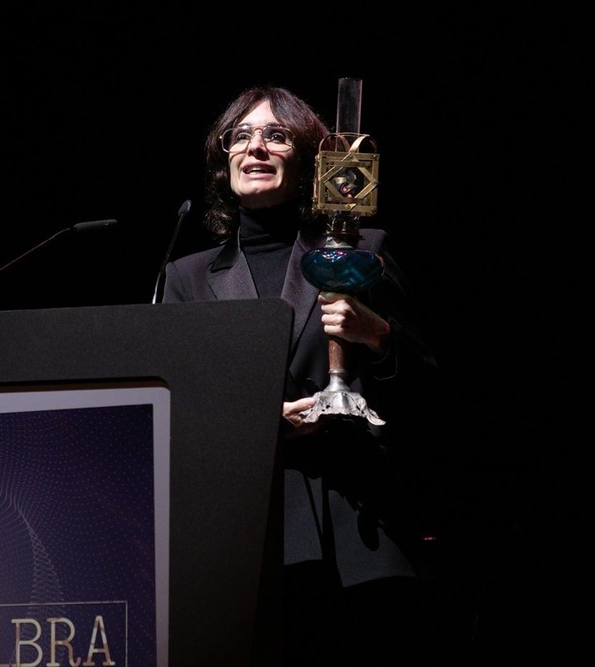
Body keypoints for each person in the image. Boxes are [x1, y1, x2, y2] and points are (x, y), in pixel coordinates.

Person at [161, 87, 476, 665]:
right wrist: (253, 423)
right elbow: (175, 408)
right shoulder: (187, 277)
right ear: (223, 157)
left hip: (359, 526)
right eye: (241, 135)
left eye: (277, 135)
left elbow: (436, 399)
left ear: (310, 162)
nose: (256, 147)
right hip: (249, 535)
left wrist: (378, 337)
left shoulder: (364, 250)